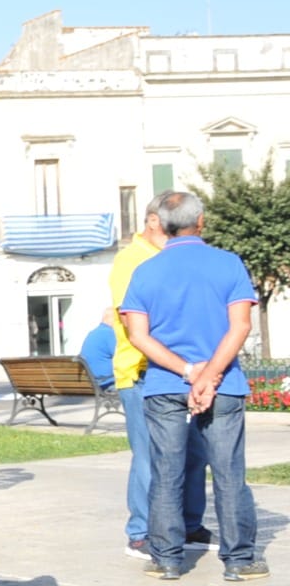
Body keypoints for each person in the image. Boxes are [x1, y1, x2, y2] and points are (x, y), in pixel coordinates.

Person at [122, 191, 265, 582]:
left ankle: (166, 558)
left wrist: (188, 371)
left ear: (162, 225)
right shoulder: (228, 264)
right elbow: (240, 326)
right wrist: (210, 375)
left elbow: (138, 335)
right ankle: (240, 560)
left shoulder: (145, 272)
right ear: (200, 222)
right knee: (228, 471)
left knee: (167, 471)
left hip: (166, 384)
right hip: (224, 385)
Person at [110, 196, 210, 561]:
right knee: (150, 454)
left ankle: (189, 523)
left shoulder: (175, 258)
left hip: (185, 371)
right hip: (141, 373)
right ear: (153, 220)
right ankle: (140, 531)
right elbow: (129, 317)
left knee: (196, 451)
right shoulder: (130, 260)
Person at [78, 308, 118, 389]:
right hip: (106, 381)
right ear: (113, 319)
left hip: (91, 380)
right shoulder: (109, 333)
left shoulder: (92, 333)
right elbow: (121, 356)